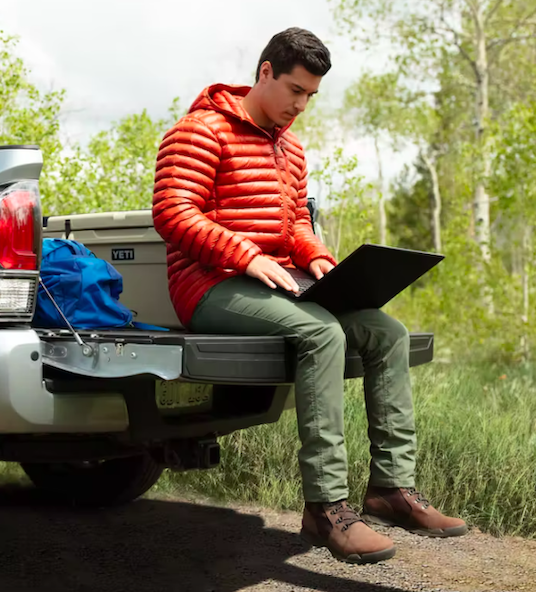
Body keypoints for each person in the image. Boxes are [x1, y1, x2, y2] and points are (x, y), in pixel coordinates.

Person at [152, 27, 467, 564]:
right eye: (295, 91)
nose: (300, 106)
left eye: (311, 96)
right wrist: (245, 255)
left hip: (280, 280)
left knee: (386, 331)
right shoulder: (200, 130)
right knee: (320, 330)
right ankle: (326, 507)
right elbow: (173, 213)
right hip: (210, 285)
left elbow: (294, 221)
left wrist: (316, 256)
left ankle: (392, 489)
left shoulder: (290, 148)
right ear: (266, 72)